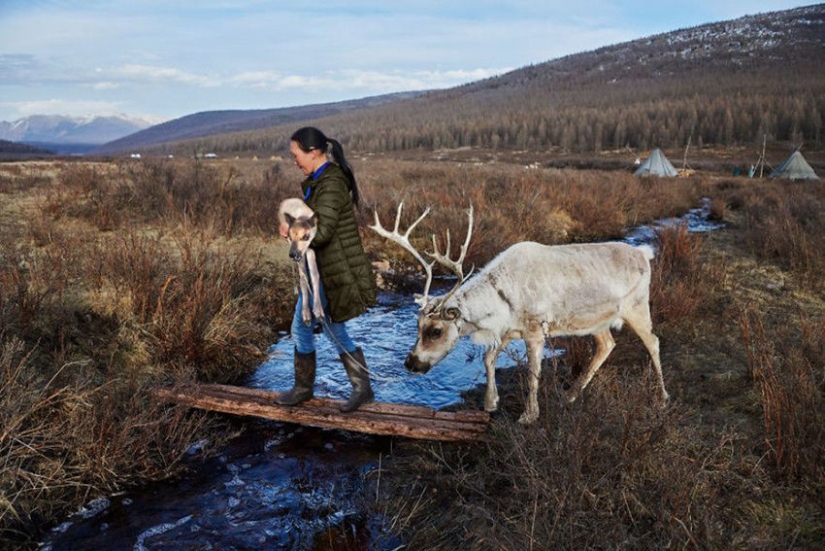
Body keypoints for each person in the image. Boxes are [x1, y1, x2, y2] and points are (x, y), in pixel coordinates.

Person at [277, 127, 377, 412]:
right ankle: (322, 388)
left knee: (317, 328)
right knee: (319, 327)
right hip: (322, 271)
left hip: (333, 271)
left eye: (296, 154)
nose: (294, 160)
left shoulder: (330, 183)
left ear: (312, 152)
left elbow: (322, 233)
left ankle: (321, 388)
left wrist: (292, 230)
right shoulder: (320, 181)